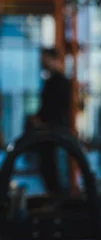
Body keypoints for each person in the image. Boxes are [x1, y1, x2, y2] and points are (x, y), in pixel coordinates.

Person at [28, 48, 72, 195]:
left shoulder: (59, 81)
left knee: (53, 167)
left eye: (44, 59)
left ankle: (58, 199)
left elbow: (55, 107)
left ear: (51, 59)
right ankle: (54, 196)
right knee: (48, 166)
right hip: (50, 130)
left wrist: (42, 120)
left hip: (54, 131)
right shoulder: (52, 81)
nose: (42, 62)